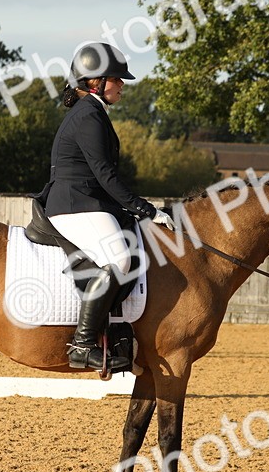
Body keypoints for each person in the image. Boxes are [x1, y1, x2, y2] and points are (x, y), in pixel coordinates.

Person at [36, 42, 175, 371]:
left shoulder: (93, 112)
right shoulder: (89, 116)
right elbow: (106, 175)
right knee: (120, 257)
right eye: (116, 79)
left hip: (87, 200)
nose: (122, 85)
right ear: (94, 81)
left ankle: (116, 334)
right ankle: (83, 345)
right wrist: (146, 209)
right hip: (74, 204)